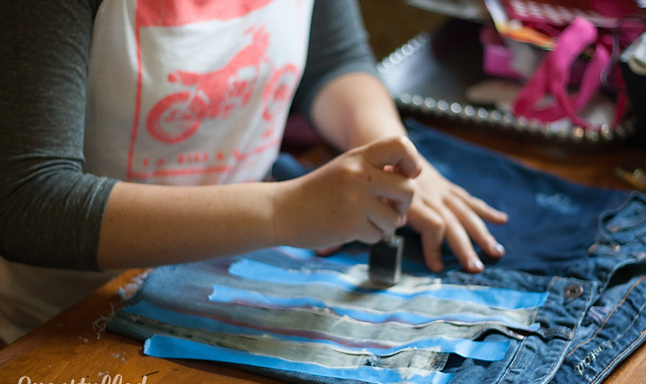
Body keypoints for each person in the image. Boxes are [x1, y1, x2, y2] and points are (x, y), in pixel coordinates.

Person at [0, 0, 508, 345]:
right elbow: (28, 203)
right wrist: (284, 210)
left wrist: (383, 146)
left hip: (225, 292)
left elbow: (333, 60)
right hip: (69, 326)